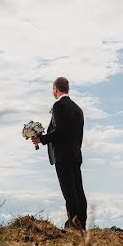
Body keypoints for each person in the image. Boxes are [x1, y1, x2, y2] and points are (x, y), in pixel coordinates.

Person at [32, 76, 87, 230]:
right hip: (76, 154)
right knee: (78, 191)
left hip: (63, 156)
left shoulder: (58, 106)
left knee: (69, 193)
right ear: (67, 89)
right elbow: (77, 134)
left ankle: (73, 224)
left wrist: (41, 139)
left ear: (55, 89)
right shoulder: (78, 109)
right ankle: (81, 223)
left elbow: (60, 131)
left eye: (53, 89)